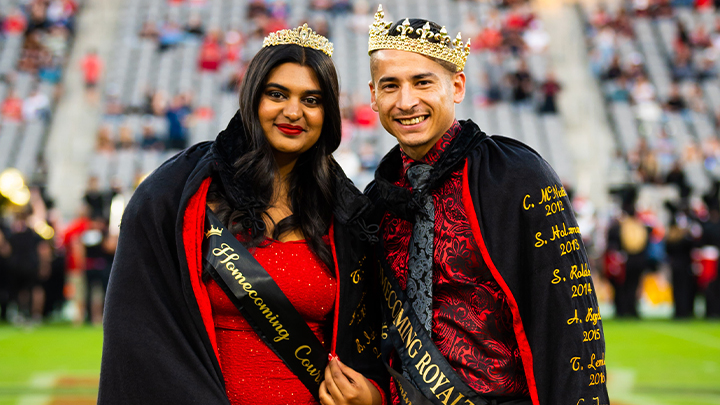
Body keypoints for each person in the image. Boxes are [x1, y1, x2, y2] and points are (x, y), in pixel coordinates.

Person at [98, 24, 386, 404]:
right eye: (277, 94)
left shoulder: (349, 214)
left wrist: (375, 394)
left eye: (312, 100)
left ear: (328, 113)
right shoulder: (179, 192)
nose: (293, 112)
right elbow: (138, 328)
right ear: (252, 99)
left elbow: (377, 338)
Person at [364, 6, 608, 405]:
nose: (406, 101)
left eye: (423, 82)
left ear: (457, 87)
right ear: (374, 97)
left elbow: (568, 321)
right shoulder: (378, 200)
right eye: (390, 86)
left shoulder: (518, 175)